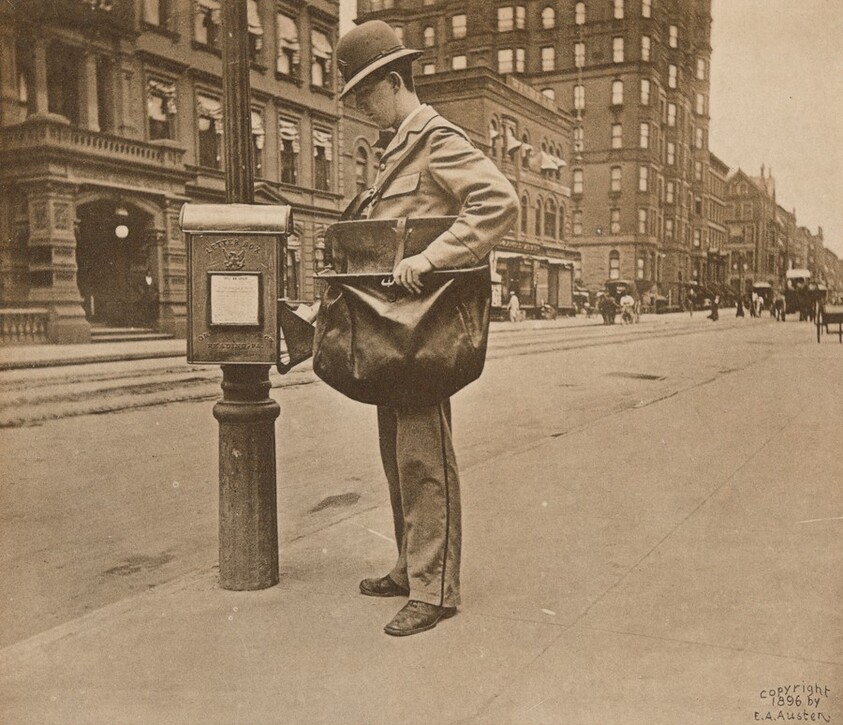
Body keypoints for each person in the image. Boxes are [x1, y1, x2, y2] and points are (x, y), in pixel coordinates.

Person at [335, 21, 519, 636]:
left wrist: (431, 258)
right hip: (394, 329)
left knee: (424, 457)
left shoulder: (437, 139)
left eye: (365, 93)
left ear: (393, 82)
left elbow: (498, 201)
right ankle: (410, 566)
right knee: (398, 454)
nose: (361, 106)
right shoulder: (395, 151)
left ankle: (435, 589)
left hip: (424, 327)